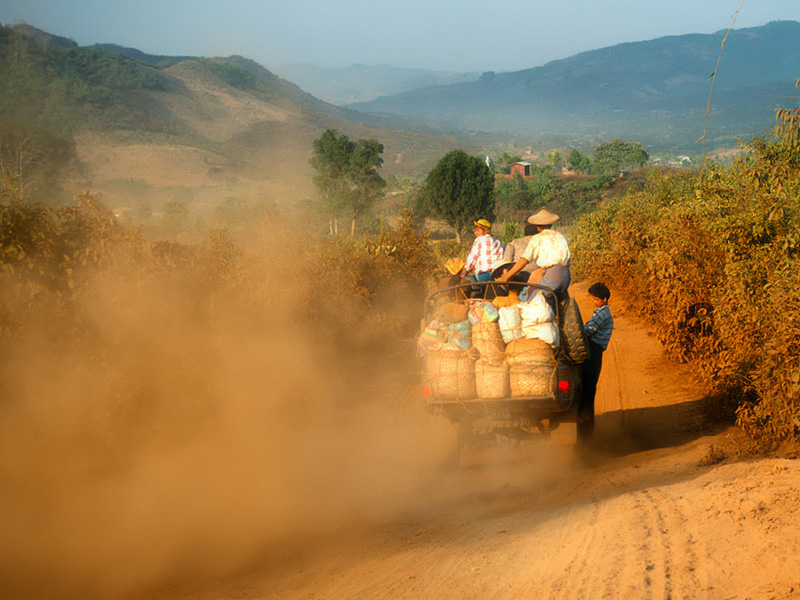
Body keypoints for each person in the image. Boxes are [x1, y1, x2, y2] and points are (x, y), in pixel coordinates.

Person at [496, 208, 571, 302]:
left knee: (533, 301)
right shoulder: (562, 236)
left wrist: (506, 277)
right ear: (551, 224)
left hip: (551, 275)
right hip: (566, 275)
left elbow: (524, 260)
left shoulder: (537, 238)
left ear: (538, 227)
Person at [579, 282, 614, 433]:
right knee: (589, 382)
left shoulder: (602, 314)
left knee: (588, 382)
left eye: (596, 300)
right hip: (595, 349)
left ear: (604, 299)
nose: (594, 302)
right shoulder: (600, 312)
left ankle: (585, 416)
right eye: (593, 299)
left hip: (594, 349)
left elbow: (588, 331)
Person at [461, 219, 505, 283]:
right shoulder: (499, 243)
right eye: (475, 230)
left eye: (478, 230)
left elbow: (472, 259)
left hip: (483, 276)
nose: (475, 233)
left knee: (466, 281)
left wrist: (465, 272)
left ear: (486, 231)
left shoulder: (479, 240)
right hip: (498, 275)